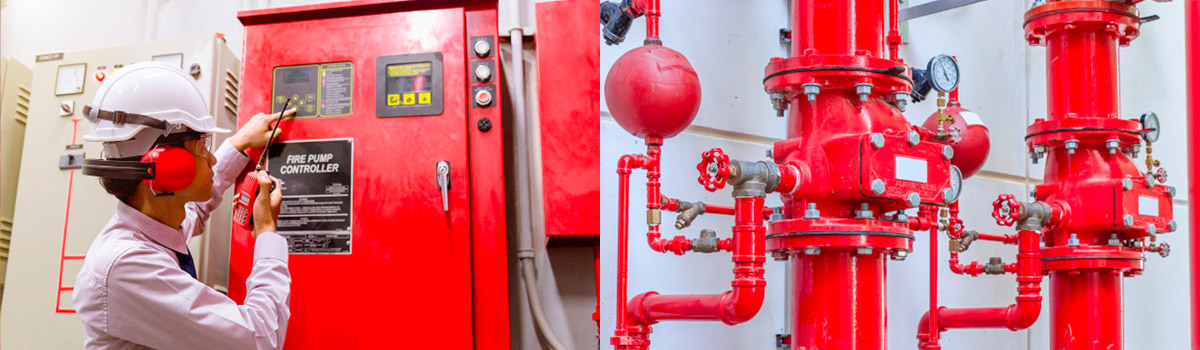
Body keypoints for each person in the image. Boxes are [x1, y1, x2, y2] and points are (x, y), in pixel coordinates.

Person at [71, 62, 297, 349]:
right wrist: (266, 233)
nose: (212, 159)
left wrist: (239, 144)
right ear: (168, 167)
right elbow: (259, 338)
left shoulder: (150, 229)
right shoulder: (128, 265)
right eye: (203, 146)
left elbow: (195, 212)